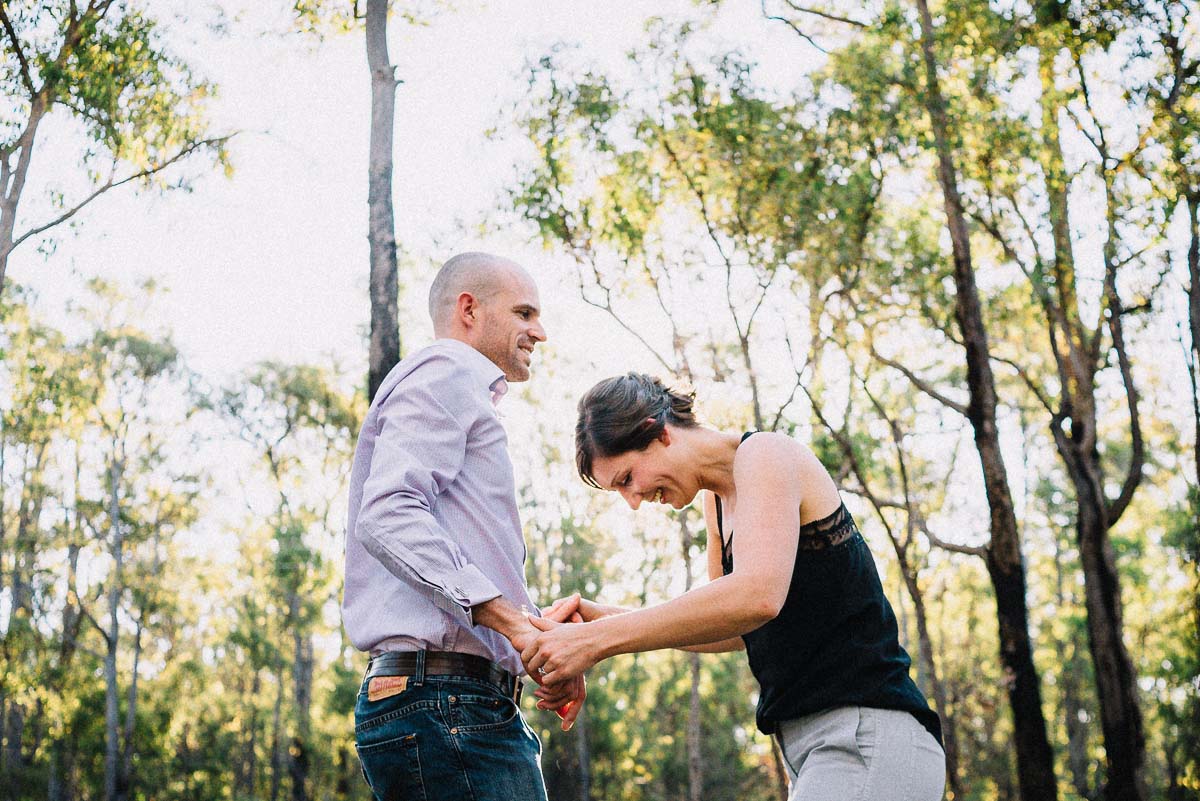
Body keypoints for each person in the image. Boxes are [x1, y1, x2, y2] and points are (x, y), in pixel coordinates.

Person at [524, 373, 945, 800]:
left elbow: (758, 595)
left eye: (627, 478)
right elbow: (733, 627)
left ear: (659, 433)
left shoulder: (764, 453)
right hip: (815, 749)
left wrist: (596, 640)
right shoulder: (717, 503)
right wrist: (604, 618)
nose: (633, 500)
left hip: (866, 734)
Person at [342, 252, 583, 801]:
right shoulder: (448, 370)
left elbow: (458, 552)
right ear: (469, 309)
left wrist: (536, 636)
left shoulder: (458, 391)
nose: (538, 332)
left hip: (452, 704)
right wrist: (514, 627)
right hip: (447, 704)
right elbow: (388, 513)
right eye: (524, 313)